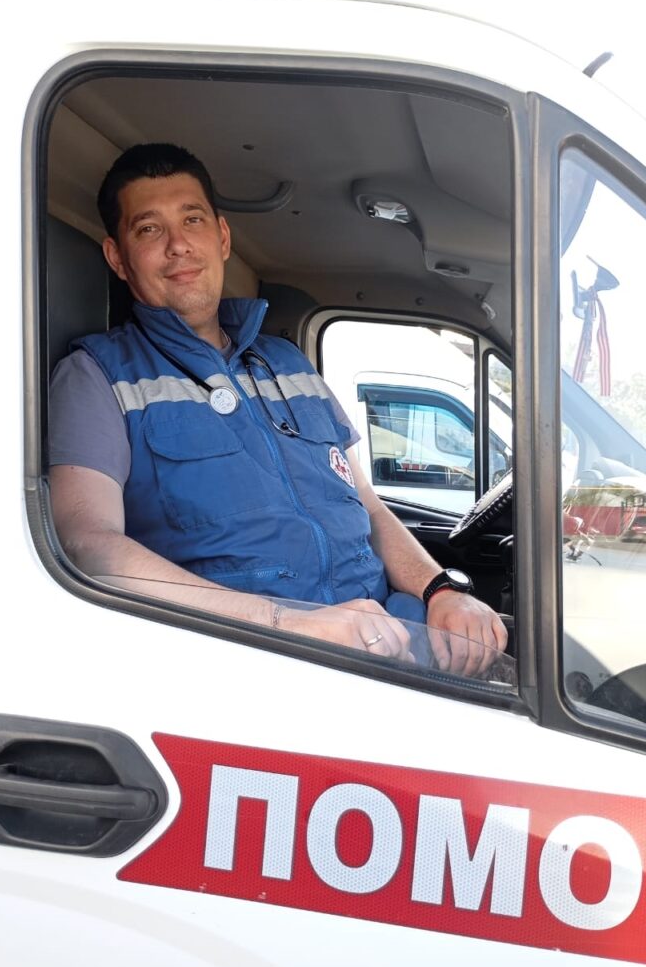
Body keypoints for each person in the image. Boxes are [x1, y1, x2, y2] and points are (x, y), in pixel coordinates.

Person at [49, 143, 508, 675]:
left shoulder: (289, 363)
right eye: (149, 229)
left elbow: (370, 509)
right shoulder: (97, 374)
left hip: (389, 631)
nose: (178, 245)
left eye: (192, 220)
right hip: (255, 660)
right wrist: (284, 624)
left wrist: (440, 590)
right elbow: (88, 542)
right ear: (117, 258)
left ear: (222, 238)